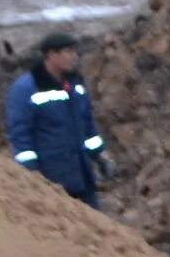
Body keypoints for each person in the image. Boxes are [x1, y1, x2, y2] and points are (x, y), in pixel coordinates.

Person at [6, 31, 107, 207]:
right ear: (52, 55)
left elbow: (87, 124)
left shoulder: (75, 84)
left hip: (82, 174)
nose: (74, 57)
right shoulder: (27, 88)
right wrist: (31, 173)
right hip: (53, 178)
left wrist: (100, 156)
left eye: (74, 52)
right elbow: (20, 134)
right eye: (68, 52)